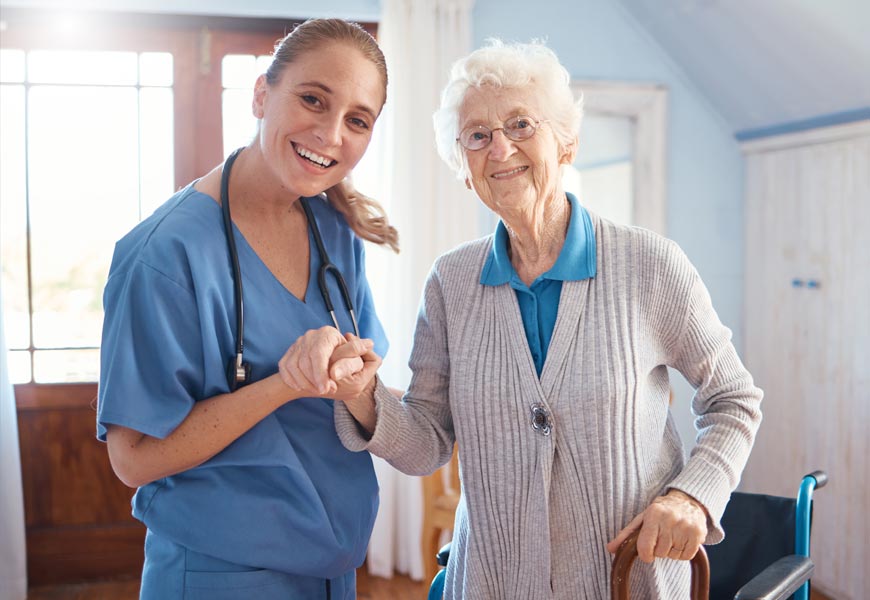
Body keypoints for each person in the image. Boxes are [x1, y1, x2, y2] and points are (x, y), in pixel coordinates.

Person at [284, 39, 764, 598]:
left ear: (565, 142)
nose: (500, 149)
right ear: (464, 168)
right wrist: (361, 395)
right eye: (478, 136)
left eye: (520, 125)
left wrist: (692, 497)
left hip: (626, 583)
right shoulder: (450, 283)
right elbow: (428, 443)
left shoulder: (649, 265)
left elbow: (734, 399)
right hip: (490, 582)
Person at [96, 19, 395, 600]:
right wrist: (285, 383)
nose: (332, 134)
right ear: (262, 95)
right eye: (313, 99)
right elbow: (132, 459)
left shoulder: (334, 233)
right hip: (221, 571)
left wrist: (352, 375)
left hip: (333, 563)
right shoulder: (163, 254)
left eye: (357, 120)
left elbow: (368, 388)